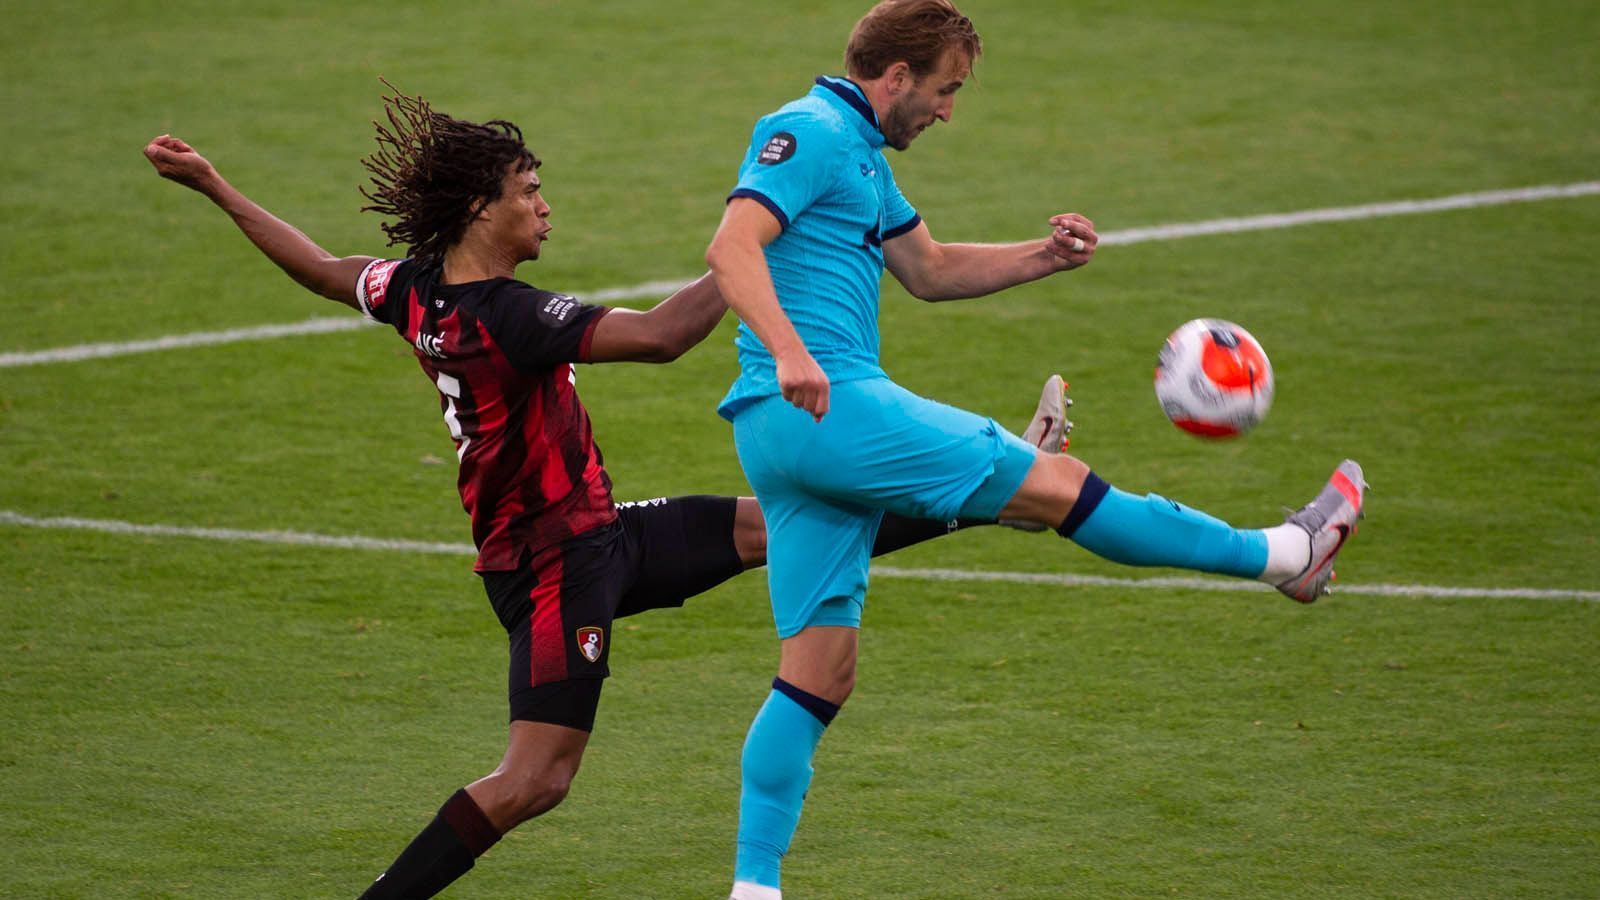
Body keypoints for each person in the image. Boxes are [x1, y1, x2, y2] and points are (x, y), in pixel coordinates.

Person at [144, 83, 1068, 899]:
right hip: (552, 568)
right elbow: (664, 336)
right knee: (535, 780)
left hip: (598, 534)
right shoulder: (507, 315)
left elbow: (319, 267)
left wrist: (216, 186)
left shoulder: (415, 288)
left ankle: (1000, 486)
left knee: (792, 523)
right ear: (480, 208)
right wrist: (757, 247)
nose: (546, 206)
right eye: (529, 192)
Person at [703, 2, 1368, 897]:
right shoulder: (809, 129)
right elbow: (731, 244)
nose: (946, 111)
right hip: (829, 406)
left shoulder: (858, 152)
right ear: (895, 79)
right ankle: (1287, 555)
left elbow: (930, 270)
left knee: (819, 670)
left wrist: (1043, 257)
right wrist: (789, 349)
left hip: (781, 438)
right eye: (944, 91)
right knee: (1060, 487)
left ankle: (754, 888)